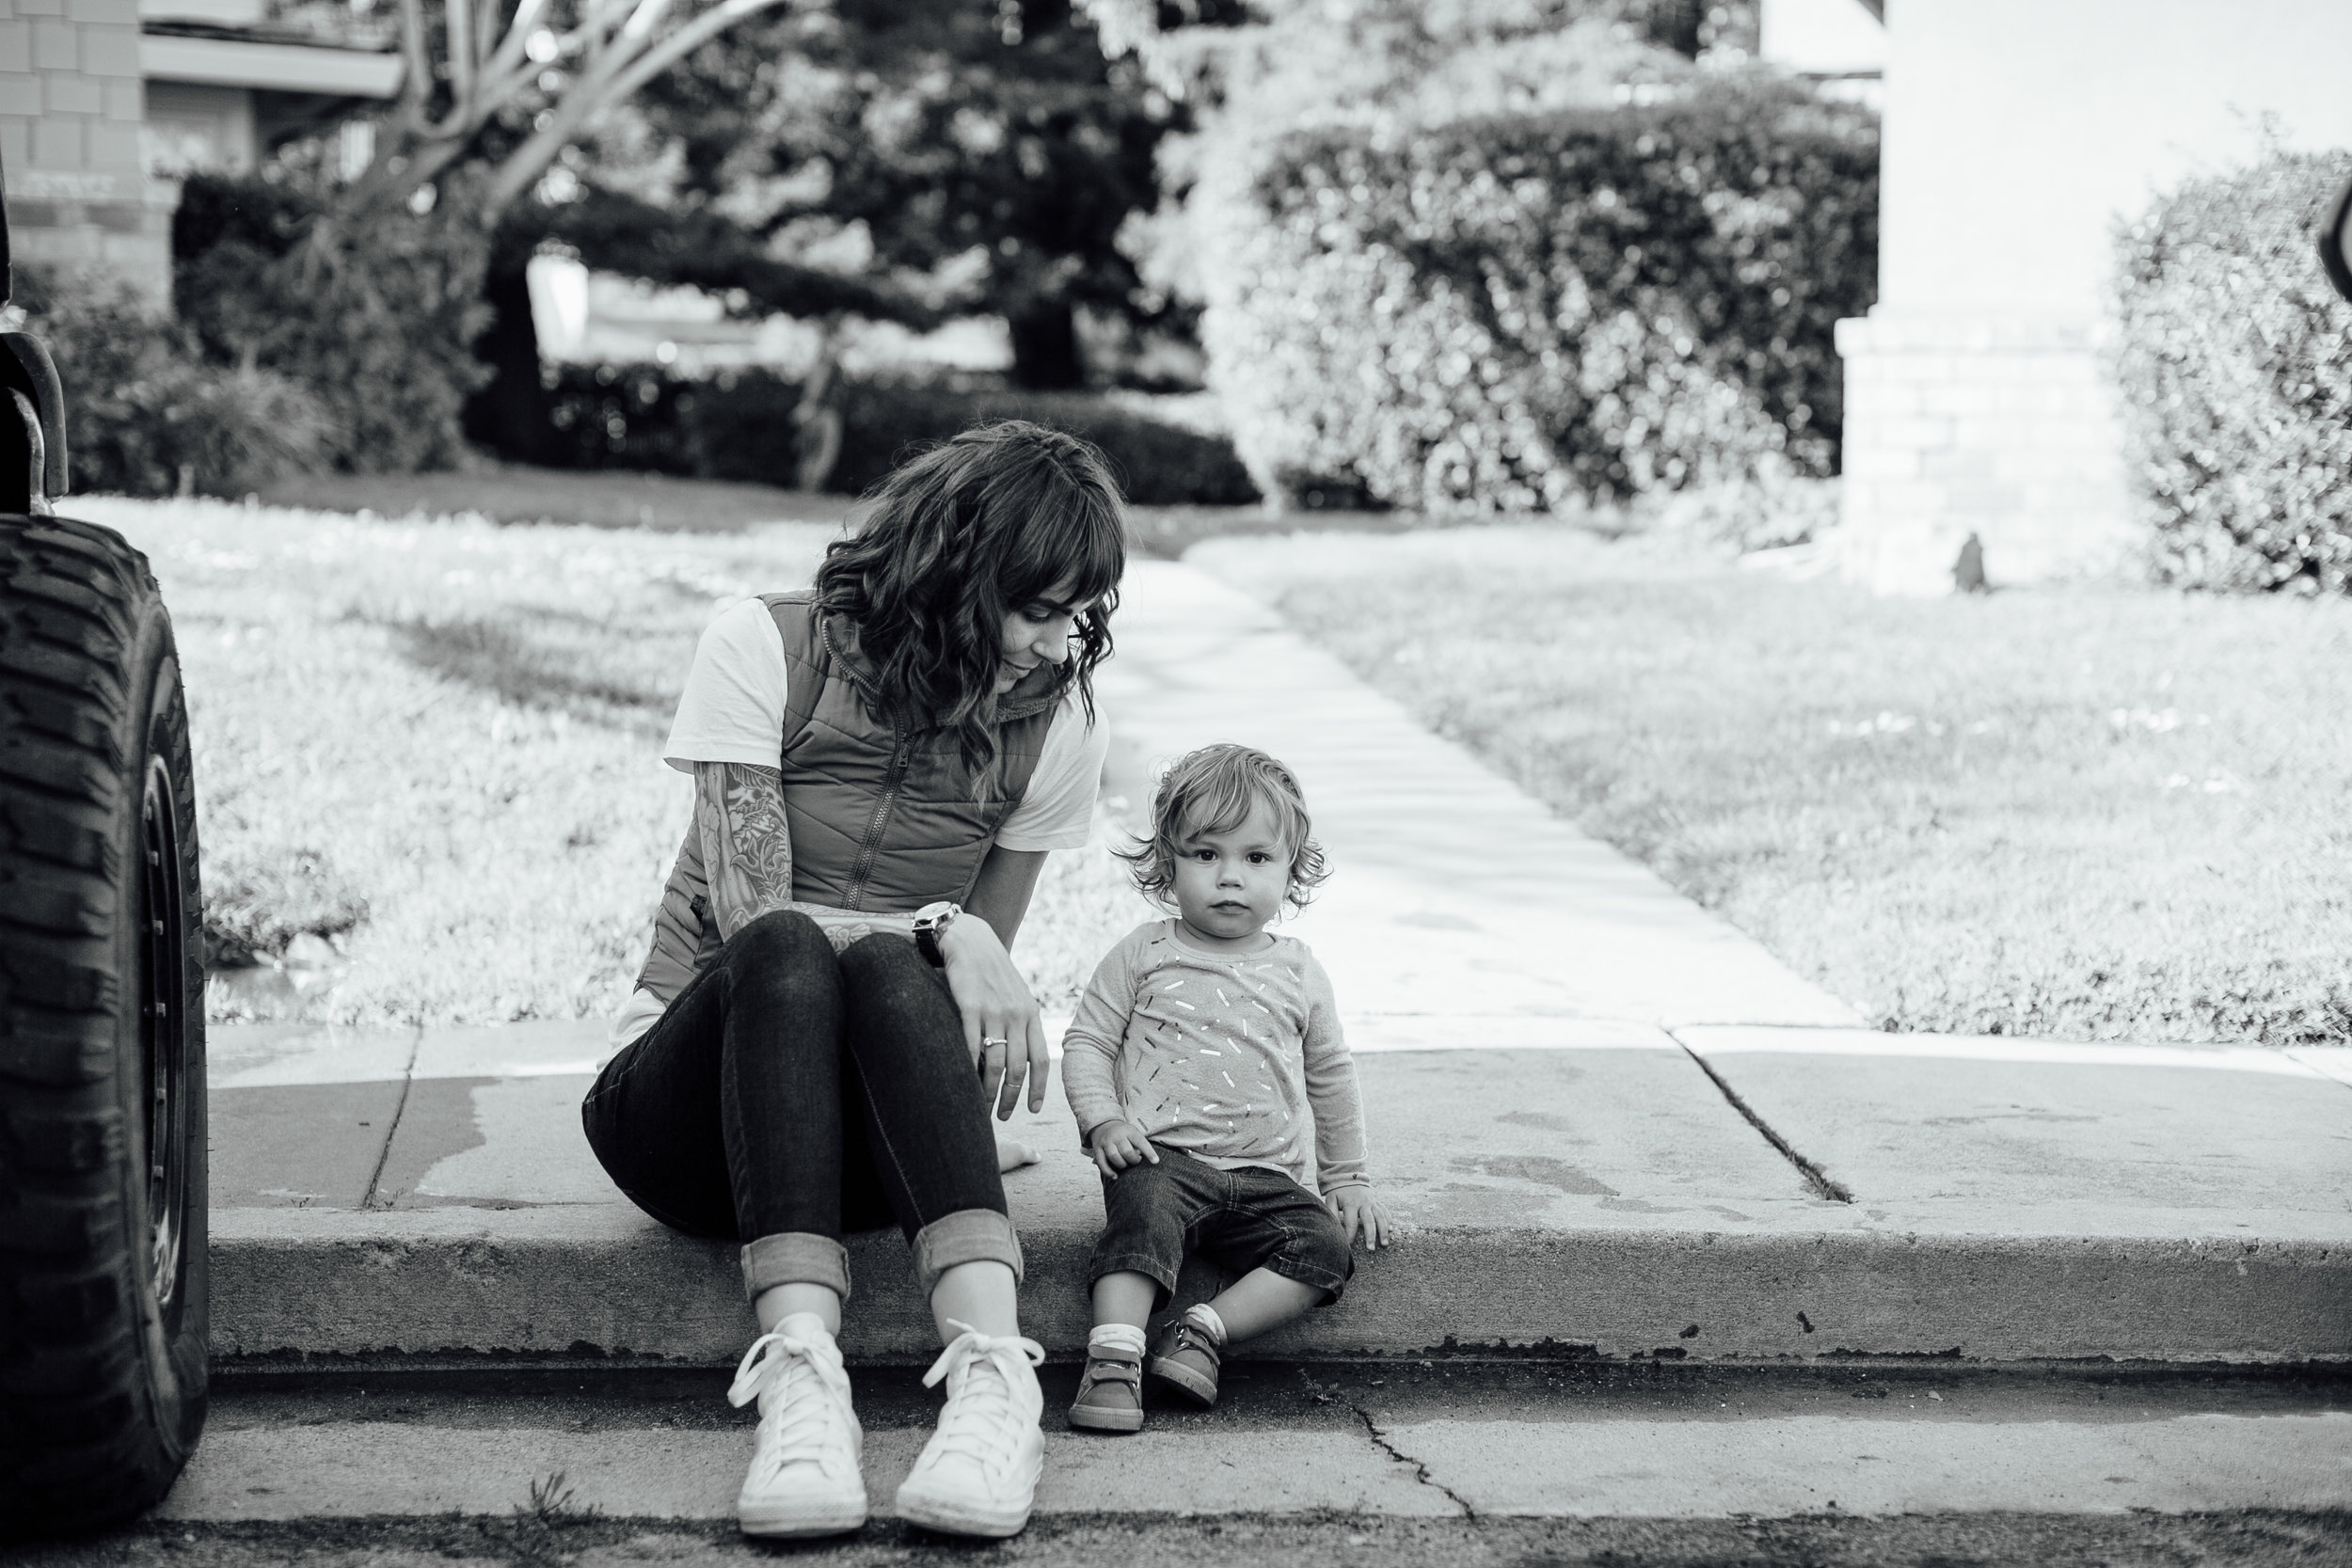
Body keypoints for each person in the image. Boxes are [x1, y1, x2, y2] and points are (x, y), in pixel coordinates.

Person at [580, 421, 1125, 1539]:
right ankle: (799, 1384)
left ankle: (993, 1381)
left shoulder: (1057, 721)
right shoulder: (761, 643)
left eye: (1079, 611)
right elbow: (751, 914)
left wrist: (953, 946)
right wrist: (947, 926)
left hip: (870, 1147)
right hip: (684, 1121)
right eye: (1036, 608)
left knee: (888, 960)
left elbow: (958, 978)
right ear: (953, 572)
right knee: (788, 945)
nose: (1057, 640)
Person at [1057, 743, 1392, 1433]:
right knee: (1142, 1218)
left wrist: (1348, 1176)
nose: (1230, 877)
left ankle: (1203, 1330)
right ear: (1167, 863)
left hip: (1267, 1176)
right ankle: (1115, 1356)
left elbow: (1331, 1072)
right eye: (1206, 855)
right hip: (1164, 1161)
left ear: (1291, 868)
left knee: (1324, 1247)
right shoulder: (1144, 953)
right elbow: (1088, 1040)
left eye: (1256, 858)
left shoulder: (1299, 970)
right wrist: (1103, 1120)